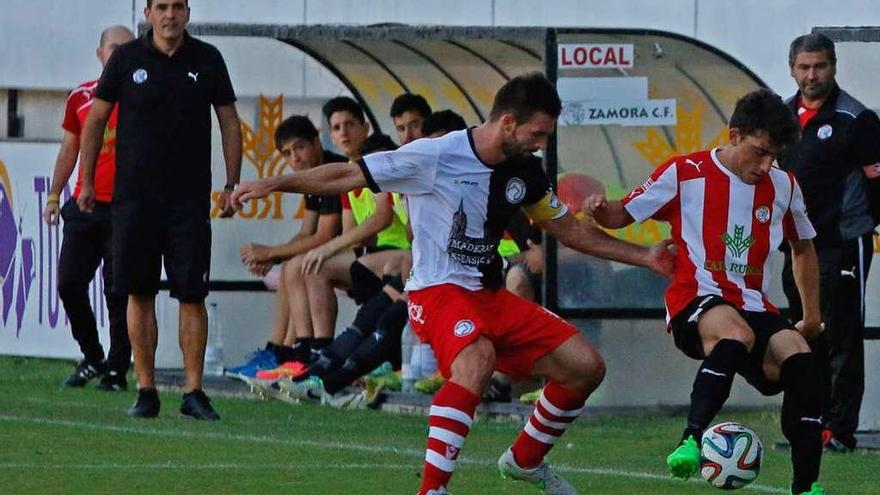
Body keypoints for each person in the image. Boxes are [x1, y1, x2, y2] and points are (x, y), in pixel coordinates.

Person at [234, 72, 674, 495]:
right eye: (537, 134)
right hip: (435, 292)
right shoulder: (435, 154)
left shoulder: (526, 172)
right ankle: (433, 489)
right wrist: (273, 183)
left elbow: (568, 229)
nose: (542, 145)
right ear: (507, 122)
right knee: (477, 359)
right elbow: (348, 175)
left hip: (490, 295)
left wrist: (643, 256)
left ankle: (524, 460)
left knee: (586, 366)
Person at [586, 89, 826, 495]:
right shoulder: (685, 172)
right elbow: (621, 213)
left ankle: (806, 487)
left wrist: (812, 314)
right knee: (736, 334)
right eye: (761, 152)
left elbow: (803, 247)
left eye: (775, 156)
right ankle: (691, 440)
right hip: (696, 299)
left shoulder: (784, 186)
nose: (767, 165)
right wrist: (598, 208)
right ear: (735, 135)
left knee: (801, 360)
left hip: (753, 305)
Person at [77, 0, 243, 421]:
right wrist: (90, 180)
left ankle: (193, 391)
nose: (171, 15)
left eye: (178, 7)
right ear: (148, 13)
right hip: (134, 200)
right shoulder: (127, 58)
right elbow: (95, 120)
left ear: (188, 12)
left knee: (191, 293)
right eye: (162, 7)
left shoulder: (207, 59)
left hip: (188, 201)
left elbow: (228, 121)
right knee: (139, 291)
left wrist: (231, 184)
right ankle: (146, 388)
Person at [781, 33, 880, 453]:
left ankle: (839, 429)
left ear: (833, 67)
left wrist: (866, 227)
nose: (812, 75)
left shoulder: (856, 119)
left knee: (842, 334)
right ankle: (806, 422)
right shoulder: (783, 118)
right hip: (795, 246)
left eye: (819, 66)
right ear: (792, 69)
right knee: (802, 332)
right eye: (804, 67)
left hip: (842, 243)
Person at [43, 25, 134, 391]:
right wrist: (54, 194)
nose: (120, 57)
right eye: (114, 49)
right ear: (100, 54)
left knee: (118, 291)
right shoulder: (81, 96)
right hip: (85, 203)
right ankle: (93, 356)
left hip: (127, 208)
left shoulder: (145, 97)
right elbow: (70, 148)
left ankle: (116, 369)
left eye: (128, 50)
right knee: (68, 283)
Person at [225, 115, 345, 380]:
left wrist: (272, 253)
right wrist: (273, 257)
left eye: (300, 147)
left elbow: (325, 234)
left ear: (316, 142)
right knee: (290, 268)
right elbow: (306, 231)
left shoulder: (333, 170)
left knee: (298, 266)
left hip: (353, 251)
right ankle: (281, 350)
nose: (295, 158)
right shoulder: (311, 179)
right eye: (288, 153)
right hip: (336, 252)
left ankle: (301, 350)